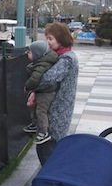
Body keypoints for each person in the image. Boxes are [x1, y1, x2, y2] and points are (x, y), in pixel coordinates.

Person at [34, 23, 79, 164]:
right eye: (46, 38)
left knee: (47, 152)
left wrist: (32, 79)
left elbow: (46, 78)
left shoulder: (66, 59)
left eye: (51, 38)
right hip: (56, 112)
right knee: (45, 150)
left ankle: (51, 183)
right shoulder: (61, 56)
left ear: (61, 39)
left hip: (57, 114)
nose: (47, 42)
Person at [23, 40, 58, 145]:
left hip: (46, 93)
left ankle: (44, 131)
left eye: (29, 52)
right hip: (40, 91)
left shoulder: (42, 65)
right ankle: (34, 124)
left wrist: (27, 86)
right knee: (32, 106)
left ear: (37, 54)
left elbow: (35, 78)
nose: (27, 54)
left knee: (41, 111)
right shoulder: (39, 62)